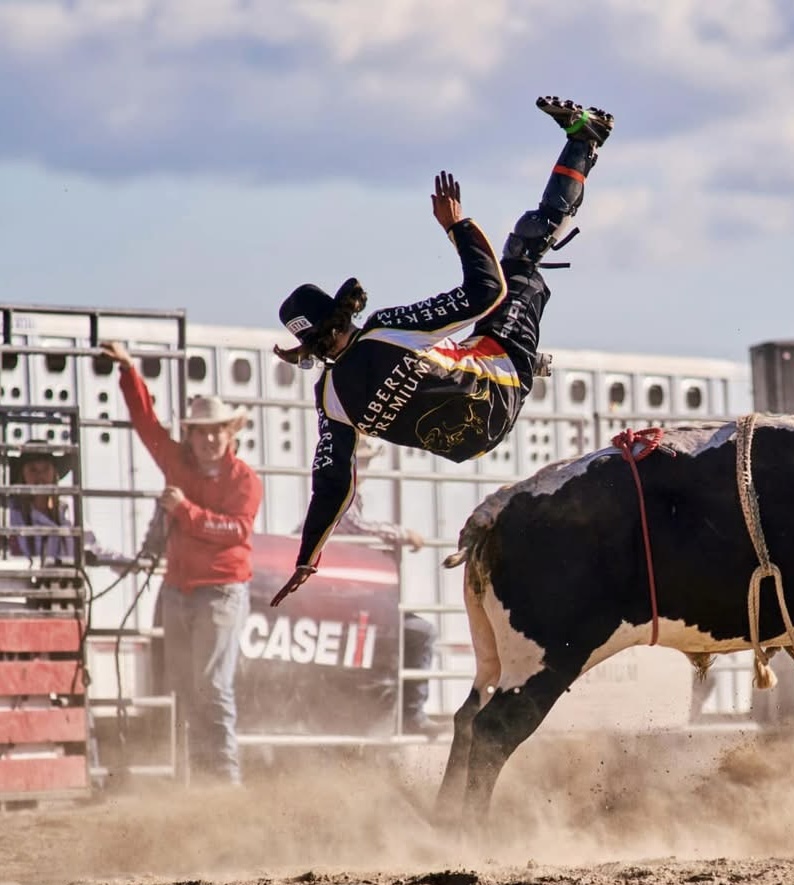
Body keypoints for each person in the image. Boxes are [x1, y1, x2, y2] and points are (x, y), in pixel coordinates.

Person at [271, 95, 613, 606]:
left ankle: (512, 356)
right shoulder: (384, 331)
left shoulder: (330, 399)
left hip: (474, 442)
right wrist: (457, 226)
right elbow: (486, 293)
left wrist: (308, 557)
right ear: (342, 316)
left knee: (466, 339)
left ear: (309, 348)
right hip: (501, 381)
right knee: (520, 252)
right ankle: (585, 139)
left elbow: (332, 485)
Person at [98, 341, 263, 785]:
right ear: (190, 434)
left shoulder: (244, 479)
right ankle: (203, 777)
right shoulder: (179, 463)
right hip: (182, 590)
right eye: (201, 431)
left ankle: (223, 779)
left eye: (216, 431)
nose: (209, 439)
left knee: (211, 686)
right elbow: (146, 421)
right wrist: (130, 371)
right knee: (191, 689)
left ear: (230, 434)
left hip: (220, 590)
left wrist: (185, 510)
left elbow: (238, 530)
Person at [294, 437, 443, 736]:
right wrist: (401, 534)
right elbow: (354, 527)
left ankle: (404, 714)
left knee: (413, 633)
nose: (361, 468)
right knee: (418, 633)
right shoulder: (339, 496)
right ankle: (410, 714)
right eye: (357, 462)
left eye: (363, 462)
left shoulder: (340, 496)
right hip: (336, 605)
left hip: (339, 602)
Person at [6, 444, 134, 568]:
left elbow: (93, 548)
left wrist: (129, 563)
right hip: (25, 584)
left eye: (45, 469)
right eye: (33, 469)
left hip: (67, 584)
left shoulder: (67, 509)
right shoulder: (9, 513)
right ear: (22, 474)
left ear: (54, 472)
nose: (40, 476)